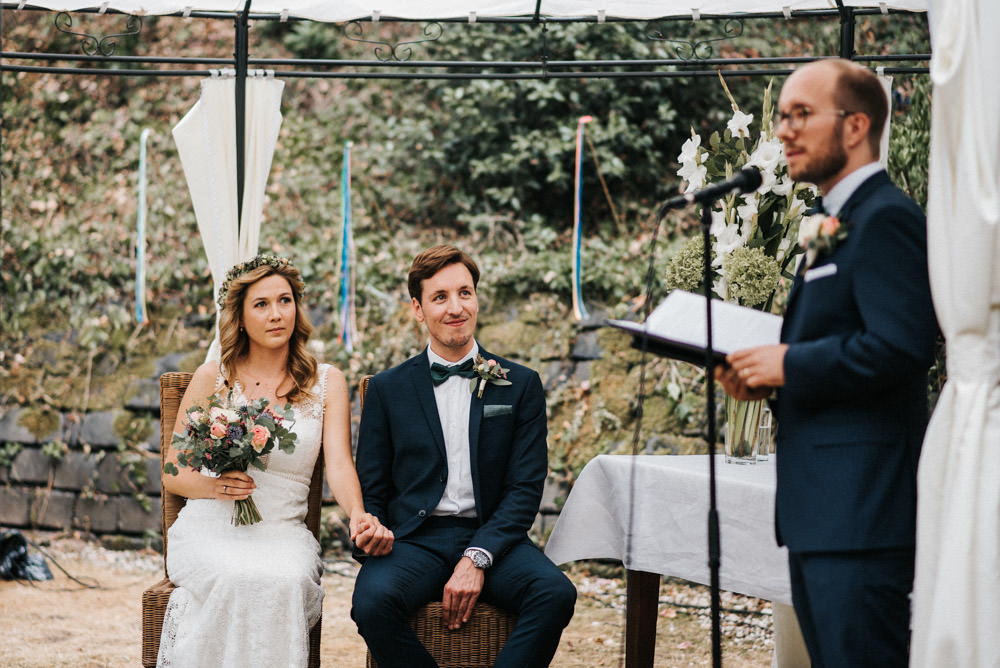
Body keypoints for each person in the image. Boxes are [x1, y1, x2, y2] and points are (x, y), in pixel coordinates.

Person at [716, 59, 939, 667]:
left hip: (862, 510)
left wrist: (788, 364)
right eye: (782, 114)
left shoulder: (887, 219)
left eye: (801, 114)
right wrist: (762, 380)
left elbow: (902, 346)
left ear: (856, 125)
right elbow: (840, 347)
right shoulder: (834, 224)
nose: (784, 130)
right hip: (824, 511)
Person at [156, 255, 392, 668]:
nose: (276, 313)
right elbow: (173, 470)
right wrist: (215, 487)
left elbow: (339, 464)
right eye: (261, 304)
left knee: (282, 582)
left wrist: (357, 513)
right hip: (211, 529)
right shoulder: (214, 377)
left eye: (284, 301)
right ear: (241, 318)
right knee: (236, 578)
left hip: (283, 532)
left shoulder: (326, 382)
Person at [351, 244, 577, 668]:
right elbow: (373, 486)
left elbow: (525, 488)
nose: (456, 308)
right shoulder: (386, 389)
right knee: (371, 603)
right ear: (418, 309)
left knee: (555, 593)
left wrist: (477, 556)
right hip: (414, 542)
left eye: (465, 293)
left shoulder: (521, 384)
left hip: (494, 538)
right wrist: (372, 530)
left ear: (476, 297)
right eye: (440, 297)